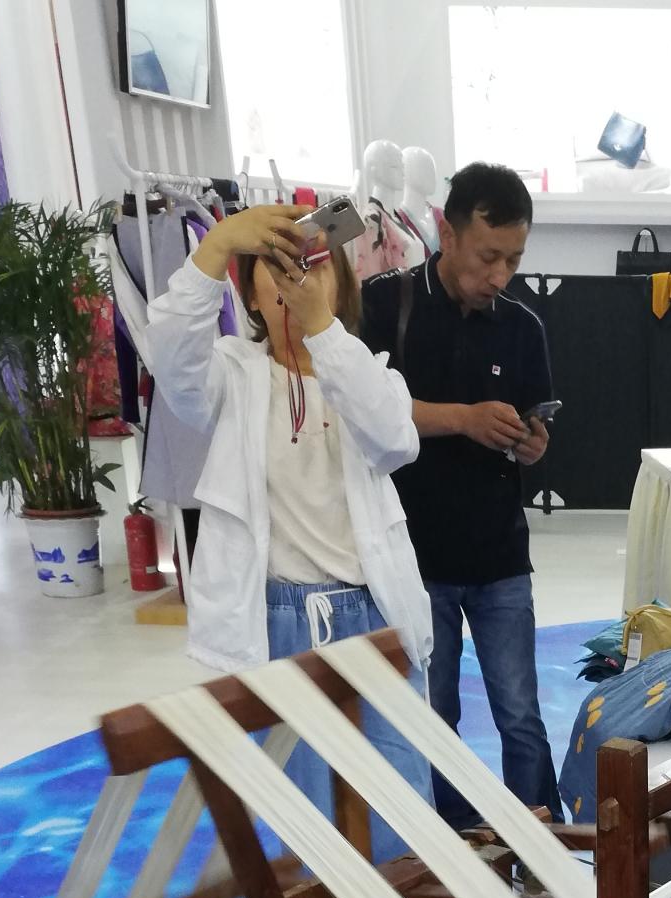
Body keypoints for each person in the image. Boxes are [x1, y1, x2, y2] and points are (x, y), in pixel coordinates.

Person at [146, 202, 435, 855]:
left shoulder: (368, 373)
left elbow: (395, 439)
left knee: (400, 813)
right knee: (297, 827)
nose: (293, 281)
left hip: (373, 616)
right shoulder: (231, 375)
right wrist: (219, 243)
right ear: (250, 293)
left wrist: (322, 330)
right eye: (275, 268)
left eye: (312, 265)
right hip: (275, 624)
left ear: (341, 285)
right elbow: (170, 356)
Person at [359, 162, 562, 827]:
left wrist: (531, 443)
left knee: (521, 714)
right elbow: (367, 412)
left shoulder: (523, 328)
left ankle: (541, 845)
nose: (500, 275)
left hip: (500, 554)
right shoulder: (384, 306)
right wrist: (465, 419)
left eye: (514, 260)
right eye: (488, 257)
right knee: (433, 714)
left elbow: (535, 429)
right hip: (416, 558)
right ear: (446, 234)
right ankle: (451, 852)